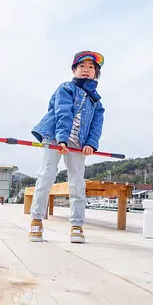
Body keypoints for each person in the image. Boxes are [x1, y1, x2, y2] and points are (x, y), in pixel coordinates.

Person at [29, 51, 105, 243]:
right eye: (82, 67)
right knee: (46, 175)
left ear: (96, 73)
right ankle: (36, 221)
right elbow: (63, 112)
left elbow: (96, 126)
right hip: (55, 137)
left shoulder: (97, 102)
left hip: (78, 143)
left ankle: (77, 225)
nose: (86, 71)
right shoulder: (66, 88)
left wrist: (91, 144)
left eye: (91, 68)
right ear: (74, 70)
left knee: (77, 182)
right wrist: (61, 139)